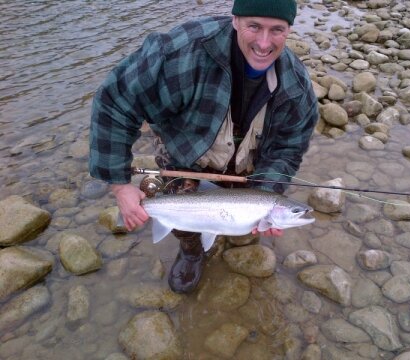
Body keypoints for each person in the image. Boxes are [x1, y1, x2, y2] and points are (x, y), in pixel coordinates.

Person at [89, 0, 319, 294]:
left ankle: (236, 226)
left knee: (246, 209)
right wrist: (120, 186)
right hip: (185, 151)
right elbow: (114, 101)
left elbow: (287, 150)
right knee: (178, 200)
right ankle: (191, 249)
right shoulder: (181, 52)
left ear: (289, 30)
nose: (264, 42)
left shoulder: (296, 88)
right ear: (235, 20)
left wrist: (270, 189)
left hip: (247, 164)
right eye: (254, 26)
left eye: (277, 30)